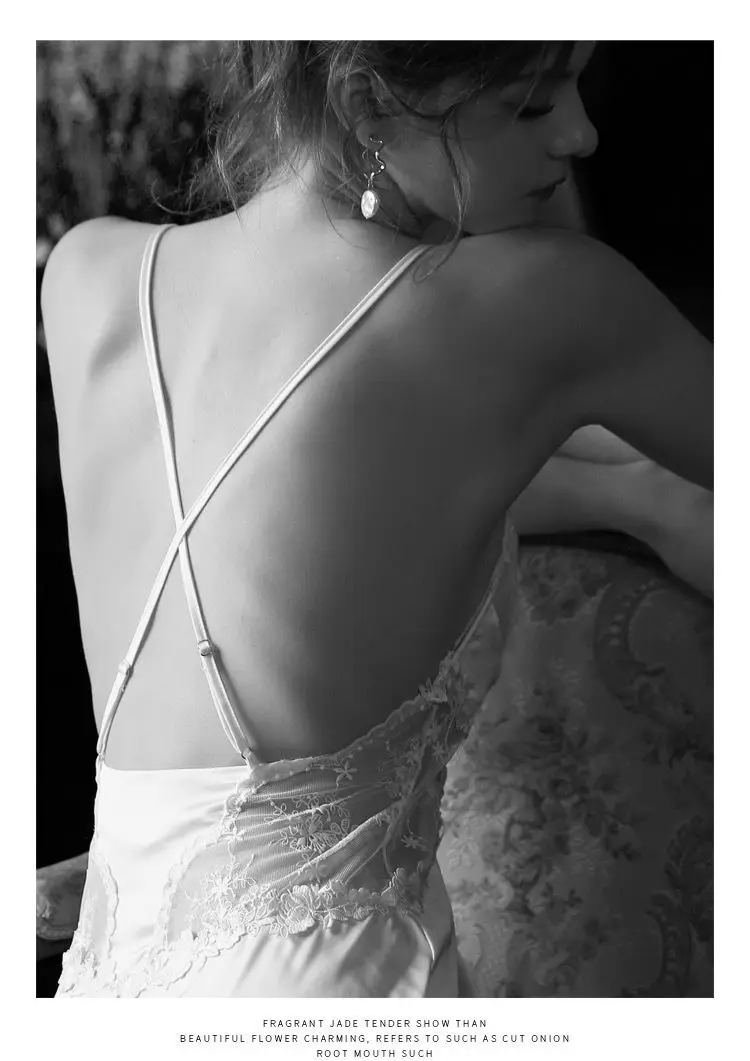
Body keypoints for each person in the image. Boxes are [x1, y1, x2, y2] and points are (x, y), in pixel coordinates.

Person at [41, 41, 712, 998]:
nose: (580, 133)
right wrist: (648, 496)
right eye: (529, 103)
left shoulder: (85, 276)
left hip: (105, 989)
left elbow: (314, 503)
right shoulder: (547, 299)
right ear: (367, 104)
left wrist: (629, 494)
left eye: (578, 84)